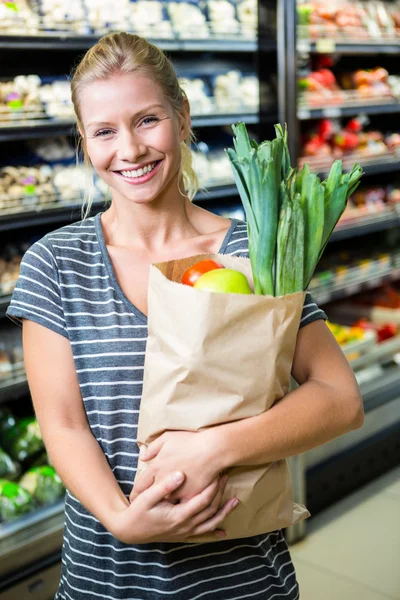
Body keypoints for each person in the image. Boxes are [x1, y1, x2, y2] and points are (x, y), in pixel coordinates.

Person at [7, 32, 364, 600]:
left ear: (182, 116)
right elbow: (65, 427)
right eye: (104, 131)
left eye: (147, 120)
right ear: (84, 140)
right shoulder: (57, 263)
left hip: (245, 577)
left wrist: (213, 449)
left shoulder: (255, 249)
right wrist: (122, 520)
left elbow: (339, 398)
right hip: (109, 577)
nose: (129, 149)